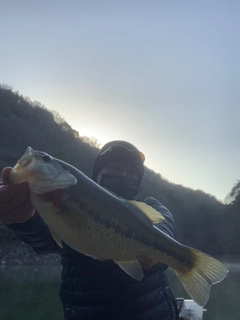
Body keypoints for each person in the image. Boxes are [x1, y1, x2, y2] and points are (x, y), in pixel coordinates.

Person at [0, 140, 181, 320]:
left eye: (132, 172)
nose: (124, 175)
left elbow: (163, 230)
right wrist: (21, 219)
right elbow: (41, 234)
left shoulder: (152, 207)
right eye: (115, 168)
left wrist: (158, 253)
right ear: (97, 174)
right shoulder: (59, 202)